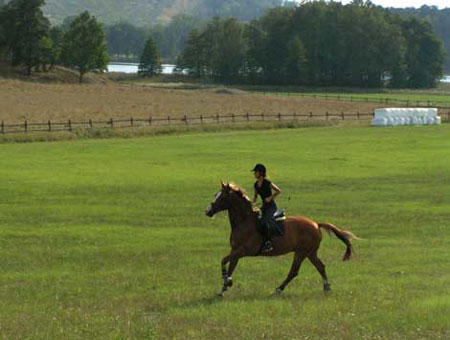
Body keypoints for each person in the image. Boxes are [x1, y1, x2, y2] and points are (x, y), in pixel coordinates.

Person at [252, 163, 282, 252]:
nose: (254, 174)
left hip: (271, 207)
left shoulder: (267, 182)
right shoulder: (256, 185)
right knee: (257, 221)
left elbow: (278, 191)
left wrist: (270, 198)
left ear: (261, 173)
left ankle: (269, 243)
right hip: (264, 207)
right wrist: (252, 204)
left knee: (266, 221)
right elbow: (255, 197)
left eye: (256, 172)